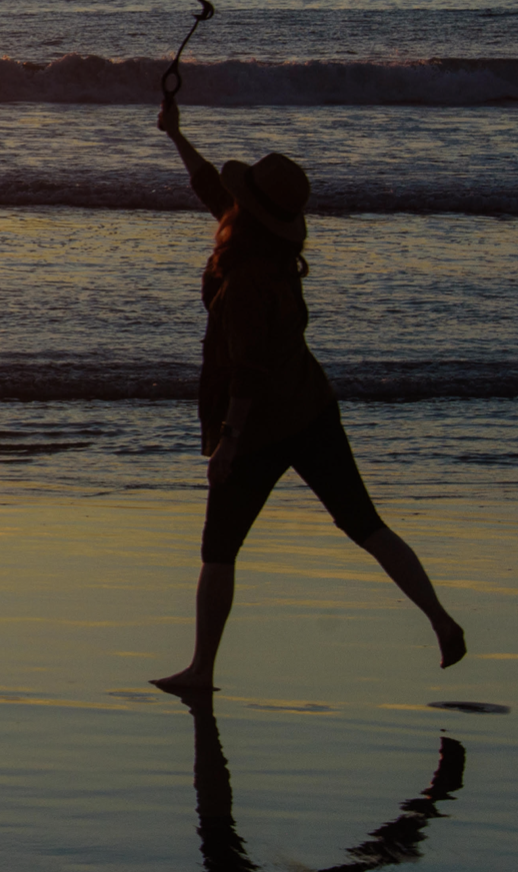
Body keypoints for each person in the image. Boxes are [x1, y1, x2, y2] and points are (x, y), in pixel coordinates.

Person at [151, 98, 464, 694]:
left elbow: (247, 375)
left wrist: (227, 446)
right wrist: (177, 134)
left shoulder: (244, 280)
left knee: (218, 549)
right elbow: (209, 188)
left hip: (261, 427)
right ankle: (442, 621)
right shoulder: (267, 256)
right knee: (365, 523)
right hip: (313, 410)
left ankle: (201, 671)